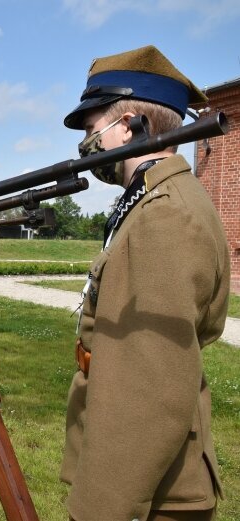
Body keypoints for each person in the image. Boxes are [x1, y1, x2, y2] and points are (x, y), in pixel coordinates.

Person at [60, 46, 230, 521]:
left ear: (130, 124)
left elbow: (149, 388)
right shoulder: (156, 199)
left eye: (93, 131)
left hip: (151, 489)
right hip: (152, 478)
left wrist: (102, 509)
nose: (87, 146)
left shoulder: (163, 216)